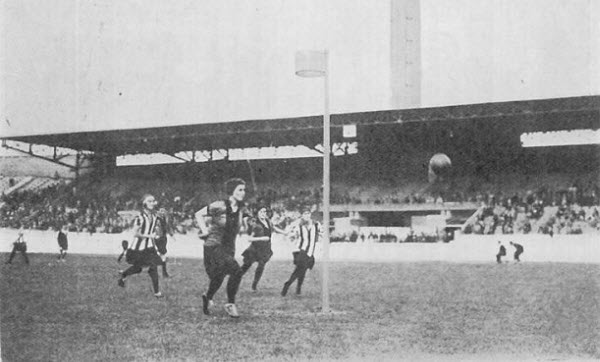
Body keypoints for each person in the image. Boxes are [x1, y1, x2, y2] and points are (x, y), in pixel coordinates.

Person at [195, 178, 250, 318]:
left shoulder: (241, 209)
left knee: (219, 277)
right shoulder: (219, 205)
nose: (243, 193)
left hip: (229, 248)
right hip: (214, 246)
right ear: (231, 190)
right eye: (240, 189)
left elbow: (238, 228)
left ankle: (207, 297)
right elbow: (198, 214)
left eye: (244, 190)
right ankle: (230, 304)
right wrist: (205, 230)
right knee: (237, 271)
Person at [117, 194, 164, 298]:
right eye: (149, 201)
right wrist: (149, 235)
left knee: (153, 267)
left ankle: (157, 292)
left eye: (153, 201)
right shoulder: (140, 217)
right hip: (139, 248)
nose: (152, 203)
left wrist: (157, 233)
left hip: (150, 247)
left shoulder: (155, 216)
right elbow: (136, 234)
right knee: (138, 268)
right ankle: (124, 275)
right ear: (144, 204)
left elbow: (156, 229)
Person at [240, 204, 287, 291]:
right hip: (255, 249)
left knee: (261, 265)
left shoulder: (268, 221)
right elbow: (249, 238)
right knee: (246, 266)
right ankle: (235, 277)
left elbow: (274, 229)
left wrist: (285, 233)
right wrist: (262, 238)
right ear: (257, 213)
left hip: (265, 249)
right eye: (261, 211)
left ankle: (254, 285)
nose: (263, 213)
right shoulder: (255, 224)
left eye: (264, 211)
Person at [282, 208, 321, 297]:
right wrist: (293, 242)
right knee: (299, 270)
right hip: (302, 251)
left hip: (311, 252)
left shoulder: (316, 224)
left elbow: (321, 234)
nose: (307, 216)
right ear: (302, 216)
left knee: (302, 271)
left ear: (310, 214)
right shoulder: (299, 226)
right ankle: (288, 285)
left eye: (308, 213)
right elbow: (292, 236)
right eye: (304, 214)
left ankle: (297, 288)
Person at [155, 208, 173, 278]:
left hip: (163, 237)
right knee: (161, 254)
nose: (162, 213)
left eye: (164, 211)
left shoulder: (165, 219)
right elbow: (156, 228)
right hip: (159, 237)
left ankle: (164, 272)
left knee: (162, 254)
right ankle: (163, 272)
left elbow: (167, 228)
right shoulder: (157, 219)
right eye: (161, 211)